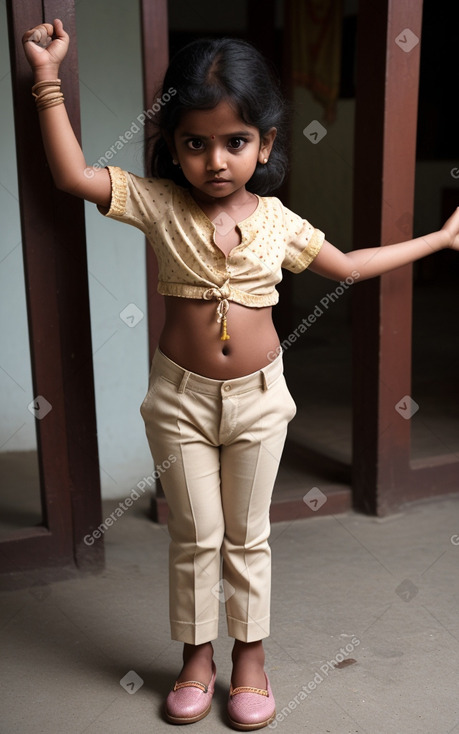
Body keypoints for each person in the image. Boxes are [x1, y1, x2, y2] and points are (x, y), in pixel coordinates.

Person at [22, 19, 458, 731]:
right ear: (171, 145)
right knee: (195, 535)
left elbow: (347, 266)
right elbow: (72, 175)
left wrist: (439, 239)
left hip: (259, 401)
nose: (215, 161)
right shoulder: (158, 204)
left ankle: (250, 660)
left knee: (246, 535)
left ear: (266, 144)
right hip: (180, 402)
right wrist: (46, 77)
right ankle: (197, 659)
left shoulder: (279, 222)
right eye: (195, 143)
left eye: (235, 142)